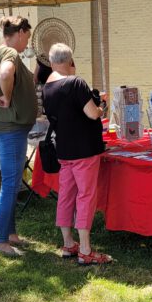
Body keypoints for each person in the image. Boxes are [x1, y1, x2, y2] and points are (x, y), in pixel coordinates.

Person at [42, 43, 111, 265]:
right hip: (84, 149)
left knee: (66, 195)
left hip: (63, 149)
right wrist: (102, 106)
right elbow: (92, 114)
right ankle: (85, 249)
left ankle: (68, 243)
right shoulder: (76, 82)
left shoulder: (48, 86)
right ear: (71, 61)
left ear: (52, 62)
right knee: (85, 196)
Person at [0, 16, 38, 258]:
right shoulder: (10, 55)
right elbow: (6, 75)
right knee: (11, 183)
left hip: (2, 125)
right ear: (21, 32)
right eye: (28, 35)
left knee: (12, 182)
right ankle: (1, 241)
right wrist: (6, 97)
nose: (28, 41)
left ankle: (11, 233)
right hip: (9, 127)